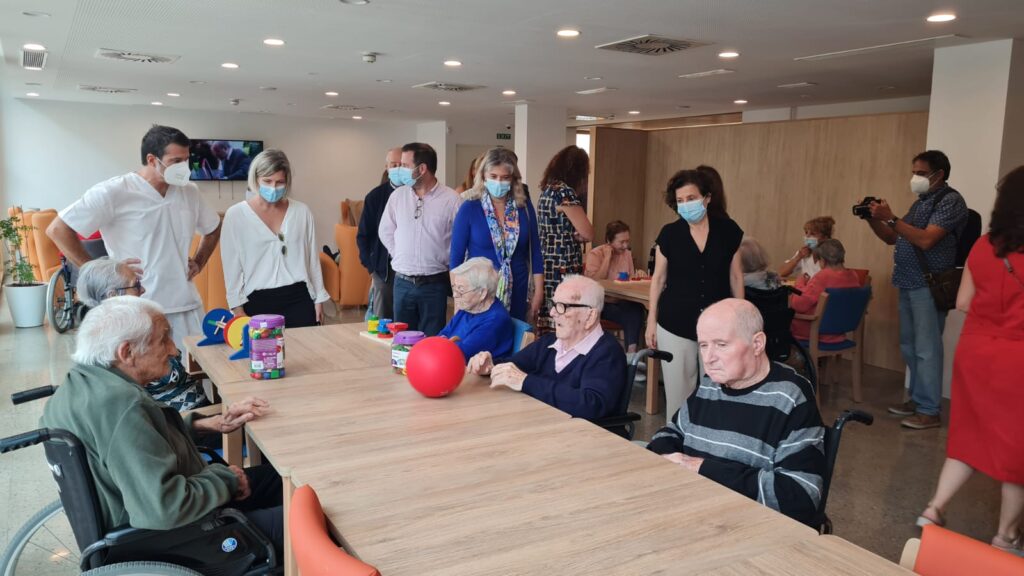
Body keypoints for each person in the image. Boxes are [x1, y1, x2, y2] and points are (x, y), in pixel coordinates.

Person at [39, 297, 283, 553]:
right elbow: (166, 507)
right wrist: (226, 480)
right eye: (163, 340)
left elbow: (134, 444)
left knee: (276, 478)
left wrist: (203, 424)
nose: (173, 350)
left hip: (143, 520)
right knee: (303, 513)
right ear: (127, 352)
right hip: (177, 537)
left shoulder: (83, 384)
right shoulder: (122, 405)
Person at [917, 166, 1024, 556]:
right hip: (1017, 358)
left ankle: (933, 510)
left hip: (975, 351)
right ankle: (1006, 537)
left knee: (969, 436)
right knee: (1018, 450)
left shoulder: (982, 246)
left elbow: (962, 302)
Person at [647, 299, 825, 527]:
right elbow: (670, 434)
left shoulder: (790, 397)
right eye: (703, 345)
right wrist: (671, 458)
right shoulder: (711, 384)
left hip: (747, 526)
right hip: (693, 512)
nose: (708, 358)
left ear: (757, 344)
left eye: (721, 345)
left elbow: (800, 496)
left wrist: (701, 468)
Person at [46, 124, 221, 352]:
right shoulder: (115, 191)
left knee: (196, 368)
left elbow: (213, 227)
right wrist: (97, 270)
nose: (183, 168)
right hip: (136, 308)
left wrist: (199, 261)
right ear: (152, 160)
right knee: (145, 371)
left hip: (186, 304)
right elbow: (57, 229)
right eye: (176, 161)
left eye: (186, 160)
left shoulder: (190, 192)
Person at [866, 150, 968, 430]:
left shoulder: (951, 201)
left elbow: (926, 240)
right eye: (914, 173)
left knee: (927, 348)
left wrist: (891, 217)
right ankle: (918, 399)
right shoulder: (920, 203)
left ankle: (929, 410)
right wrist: (873, 218)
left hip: (929, 284)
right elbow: (892, 236)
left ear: (939, 175)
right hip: (908, 281)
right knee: (910, 346)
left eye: (921, 173)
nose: (915, 178)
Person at [647, 169, 744, 423]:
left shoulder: (728, 231)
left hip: (719, 326)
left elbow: (736, 277)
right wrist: (651, 321)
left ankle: (710, 441)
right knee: (678, 395)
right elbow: (658, 279)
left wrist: (741, 317)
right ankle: (676, 441)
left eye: (691, 198)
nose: (686, 205)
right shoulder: (669, 234)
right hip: (674, 323)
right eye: (680, 201)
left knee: (718, 391)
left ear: (707, 198)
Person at [467, 275, 626, 420]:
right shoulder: (550, 342)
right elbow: (515, 365)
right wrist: (490, 366)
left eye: (562, 306)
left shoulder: (607, 353)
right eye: (554, 304)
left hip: (582, 436)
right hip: (540, 424)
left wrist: (526, 381)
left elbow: (591, 405)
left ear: (590, 316)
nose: (552, 313)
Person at [77, 258, 209, 411]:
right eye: (136, 285)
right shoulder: (129, 339)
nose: (143, 290)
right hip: (186, 420)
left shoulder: (110, 332)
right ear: (113, 295)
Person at [220, 149, 330, 328]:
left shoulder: (302, 212)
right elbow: (231, 267)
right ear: (256, 179)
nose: (273, 187)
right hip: (256, 301)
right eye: (267, 181)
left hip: (299, 299)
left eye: (279, 182)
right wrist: (237, 308)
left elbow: (312, 259)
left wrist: (319, 298)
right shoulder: (235, 215)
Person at [450, 147, 543, 323]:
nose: (499, 182)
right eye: (493, 176)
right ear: (483, 176)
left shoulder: (523, 207)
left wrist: (539, 291)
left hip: (518, 288)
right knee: (482, 336)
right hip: (479, 290)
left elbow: (536, 251)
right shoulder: (470, 207)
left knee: (514, 335)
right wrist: (458, 298)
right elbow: (456, 257)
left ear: (513, 179)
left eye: (505, 177)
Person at [378, 142, 460, 336]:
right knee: (402, 341)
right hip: (402, 282)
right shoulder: (398, 196)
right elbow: (385, 230)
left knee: (432, 341)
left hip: (434, 283)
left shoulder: (452, 200)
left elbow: (460, 240)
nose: (400, 170)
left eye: (405, 166)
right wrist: (399, 254)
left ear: (422, 169)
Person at [537, 145, 594, 330]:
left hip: (547, 261)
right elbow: (588, 232)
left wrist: (572, 234)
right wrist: (579, 236)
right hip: (563, 263)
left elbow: (555, 228)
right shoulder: (565, 193)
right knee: (566, 315)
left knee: (551, 316)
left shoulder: (547, 190)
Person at [584, 220, 647, 359]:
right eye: (621, 242)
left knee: (637, 308)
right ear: (609, 241)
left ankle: (631, 353)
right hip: (601, 304)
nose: (625, 246)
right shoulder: (595, 254)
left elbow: (629, 280)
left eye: (627, 241)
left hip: (622, 301)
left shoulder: (627, 254)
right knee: (632, 315)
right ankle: (631, 356)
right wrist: (607, 258)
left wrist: (638, 276)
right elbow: (594, 283)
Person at [356, 147, 402, 319]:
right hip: (383, 270)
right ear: (386, 167)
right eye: (394, 165)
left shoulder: (416, 195)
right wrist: (371, 267)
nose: (398, 169)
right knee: (383, 321)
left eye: (402, 165)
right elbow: (363, 235)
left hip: (410, 270)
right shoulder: (375, 197)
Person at [439, 257, 515, 361]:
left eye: (461, 290)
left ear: (482, 293)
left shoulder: (495, 321)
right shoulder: (469, 307)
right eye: (455, 288)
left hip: (472, 369)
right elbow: (443, 335)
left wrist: (443, 344)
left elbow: (460, 354)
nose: (455, 295)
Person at [788, 239, 862, 343]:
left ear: (822, 260)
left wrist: (800, 283)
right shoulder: (853, 275)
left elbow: (799, 304)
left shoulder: (823, 276)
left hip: (814, 332)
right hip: (839, 333)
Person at [778, 216, 836, 286]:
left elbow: (830, 280)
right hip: (806, 290)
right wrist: (798, 258)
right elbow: (781, 273)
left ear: (825, 238)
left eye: (813, 234)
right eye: (806, 233)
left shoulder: (831, 254)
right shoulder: (803, 253)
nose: (807, 236)